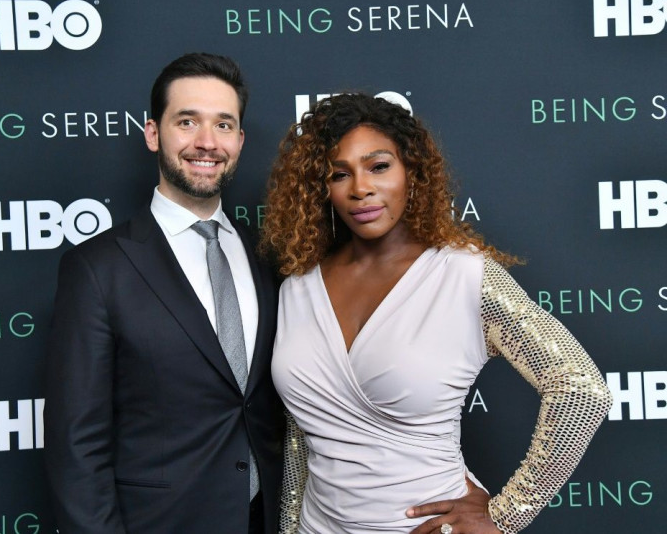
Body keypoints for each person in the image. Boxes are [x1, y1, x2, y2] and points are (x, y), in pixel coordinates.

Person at [259, 93, 613, 534]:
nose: (360, 188)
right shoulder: (297, 286)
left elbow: (581, 389)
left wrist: (506, 516)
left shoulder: (464, 275)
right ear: (321, 188)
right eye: (338, 173)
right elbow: (302, 432)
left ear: (413, 172)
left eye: (379, 166)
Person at [44, 53, 283, 534]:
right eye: (187, 121)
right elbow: (77, 445)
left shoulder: (269, 259)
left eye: (223, 124)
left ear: (239, 140)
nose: (206, 142)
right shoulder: (98, 268)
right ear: (153, 133)